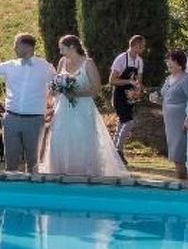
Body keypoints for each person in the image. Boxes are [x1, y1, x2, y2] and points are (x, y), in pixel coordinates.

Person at [40, 34, 130, 178]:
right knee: (60, 136)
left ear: (72, 47)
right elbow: (57, 80)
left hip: (83, 108)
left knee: (82, 137)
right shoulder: (62, 62)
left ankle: (84, 171)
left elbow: (96, 89)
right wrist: (56, 88)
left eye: (62, 47)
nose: (60, 51)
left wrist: (75, 94)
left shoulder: (88, 63)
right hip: (63, 108)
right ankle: (61, 169)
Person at [0, 35, 53, 175]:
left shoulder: (45, 67)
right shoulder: (10, 65)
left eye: (16, 45)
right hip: (11, 118)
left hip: (35, 120)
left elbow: (57, 86)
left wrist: (53, 107)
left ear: (28, 47)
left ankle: (31, 193)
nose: (14, 48)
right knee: (10, 161)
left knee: (33, 162)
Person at [108, 34, 146, 154]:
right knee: (129, 122)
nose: (143, 48)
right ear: (134, 46)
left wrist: (138, 90)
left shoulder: (139, 61)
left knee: (121, 122)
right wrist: (128, 81)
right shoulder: (121, 59)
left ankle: (113, 150)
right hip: (119, 95)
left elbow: (139, 81)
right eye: (142, 46)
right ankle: (119, 150)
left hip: (130, 97)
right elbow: (112, 80)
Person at [158, 49, 188, 180]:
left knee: (179, 152)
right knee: (175, 152)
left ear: (179, 63)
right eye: (167, 61)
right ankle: (182, 179)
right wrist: (155, 98)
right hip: (169, 122)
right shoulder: (168, 79)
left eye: (170, 60)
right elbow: (165, 96)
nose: (168, 63)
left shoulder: (187, 80)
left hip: (181, 121)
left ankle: (184, 179)